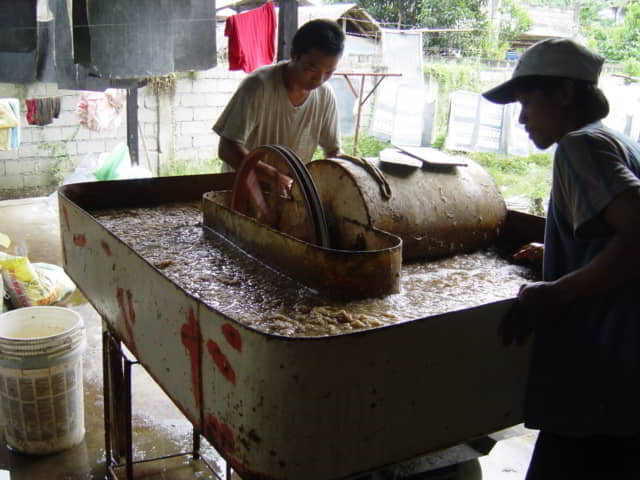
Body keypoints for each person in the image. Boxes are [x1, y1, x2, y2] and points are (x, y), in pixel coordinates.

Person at [483, 38, 640, 479]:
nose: (521, 117)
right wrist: (559, 252)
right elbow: (616, 233)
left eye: (527, 99)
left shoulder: (579, 147)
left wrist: (553, 291)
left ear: (565, 94)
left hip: (602, 375)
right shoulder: (616, 140)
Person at [212, 18, 345, 222]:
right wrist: (273, 176)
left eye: (329, 72)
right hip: (243, 190)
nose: (319, 80)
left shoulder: (325, 96)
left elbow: (333, 152)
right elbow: (228, 147)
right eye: (312, 69)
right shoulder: (258, 86)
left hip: (287, 192)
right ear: (294, 54)